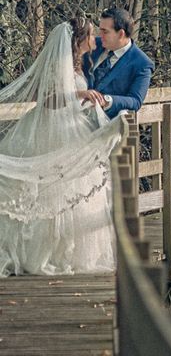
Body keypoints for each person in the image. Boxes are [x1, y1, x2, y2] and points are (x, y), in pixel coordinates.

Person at [0, 18, 123, 276]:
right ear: (79, 40)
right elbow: (48, 100)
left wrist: (85, 102)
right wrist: (80, 95)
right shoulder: (59, 64)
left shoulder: (78, 66)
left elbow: (69, 101)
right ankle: (42, 252)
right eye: (90, 35)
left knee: (74, 188)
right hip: (50, 131)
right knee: (51, 189)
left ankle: (68, 251)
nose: (95, 40)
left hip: (69, 126)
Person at [83, 8, 154, 119]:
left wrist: (107, 100)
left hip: (109, 126)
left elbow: (135, 101)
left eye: (105, 31)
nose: (99, 35)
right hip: (75, 119)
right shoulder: (92, 44)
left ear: (121, 34)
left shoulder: (142, 63)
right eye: (100, 30)